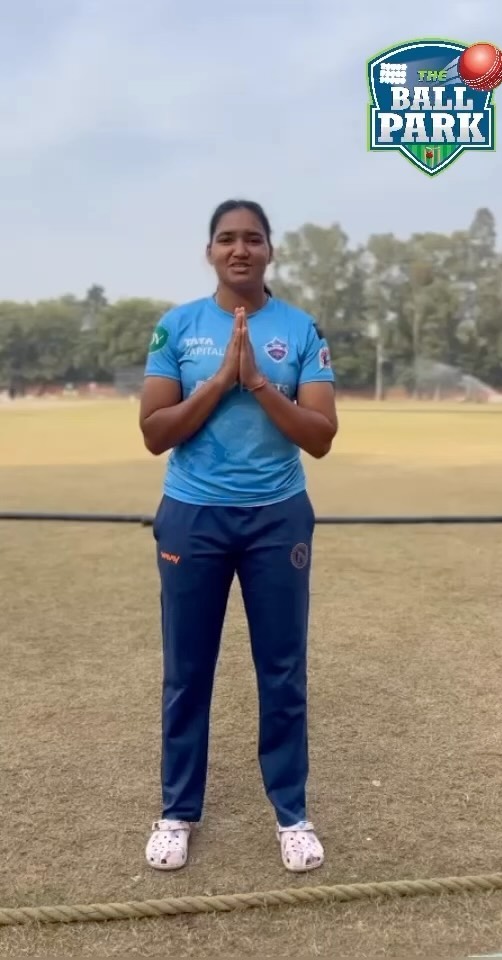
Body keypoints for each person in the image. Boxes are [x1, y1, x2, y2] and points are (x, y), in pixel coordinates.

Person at [139, 199, 338, 874]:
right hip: (192, 515)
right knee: (186, 671)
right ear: (210, 252)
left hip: (277, 516)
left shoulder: (300, 329)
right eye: (227, 239)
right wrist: (219, 379)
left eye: (253, 238)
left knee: (282, 672)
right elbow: (154, 432)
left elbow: (321, 438)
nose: (240, 249)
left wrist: (255, 381)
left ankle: (291, 814)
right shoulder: (178, 327)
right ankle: (177, 811)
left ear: (270, 252)